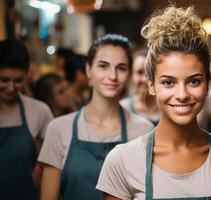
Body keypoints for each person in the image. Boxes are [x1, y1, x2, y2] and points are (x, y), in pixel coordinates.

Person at [96, 6, 211, 200]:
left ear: (207, 83)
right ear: (151, 85)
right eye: (168, 82)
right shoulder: (122, 161)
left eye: (194, 81)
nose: (182, 94)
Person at [38, 34, 154, 200]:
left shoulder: (144, 130)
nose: (112, 76)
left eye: (121, 68)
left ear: (128, 74)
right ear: (88, 70)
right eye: (103, 66)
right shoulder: (59, 128)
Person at [0, 38, 53, 200]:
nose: (11, 88)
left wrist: (39, 169)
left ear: (27, 75)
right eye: (4, 80)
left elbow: (54, 155)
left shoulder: (39, 111)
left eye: (18, 81)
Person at [120, 48, 160, 125]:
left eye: (150, 72)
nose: (145, 79)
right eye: (139, 72)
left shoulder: (167, 107)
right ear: (131, 75)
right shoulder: (122, 108)